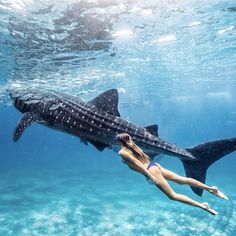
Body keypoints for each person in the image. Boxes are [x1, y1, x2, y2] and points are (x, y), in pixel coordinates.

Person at [117, 133, 228, 215]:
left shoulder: (122, 152)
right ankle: (211, 189)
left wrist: (149, 175)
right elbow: (142, 159)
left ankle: (203, 206)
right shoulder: (134, 146)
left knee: (173, 196)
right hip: (154, 165)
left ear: (119, 142)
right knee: (182, 180)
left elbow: (138, 164)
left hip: (150, 171)